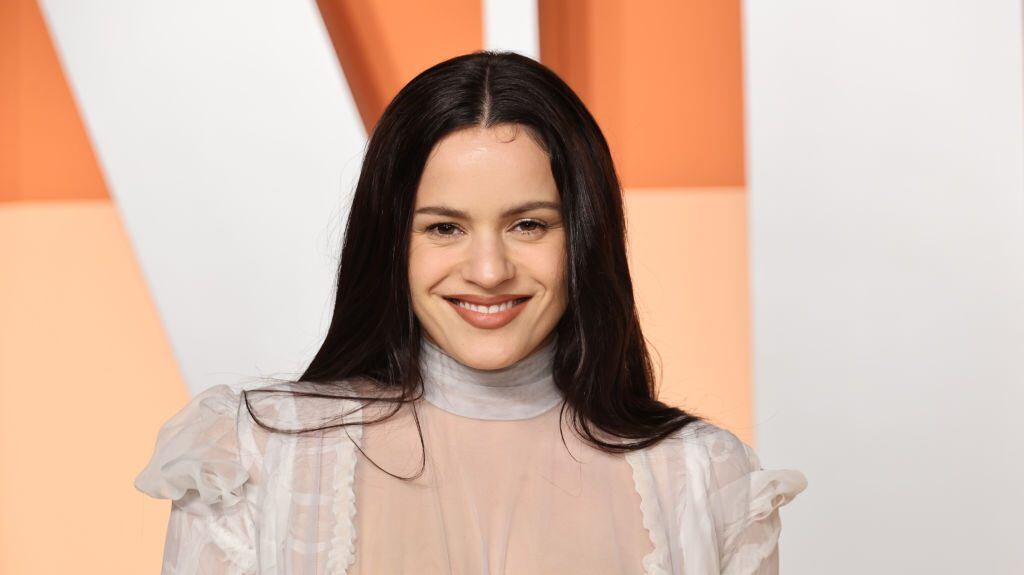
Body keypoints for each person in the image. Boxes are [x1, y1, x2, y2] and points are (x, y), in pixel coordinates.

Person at [134, 50, 807, 574]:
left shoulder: (702, 477)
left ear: (585, 233)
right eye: (445, 228)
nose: (488, 271)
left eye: (528, 225)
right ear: (392, 239)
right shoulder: (252, 458)